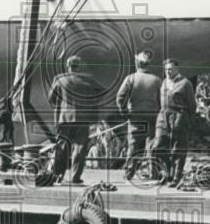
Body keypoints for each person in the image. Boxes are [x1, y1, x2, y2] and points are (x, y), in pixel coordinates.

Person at [48, 55, 104, 185]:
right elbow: (102, 91)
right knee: (80, 148)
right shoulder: (88, 79)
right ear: (78, 66)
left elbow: (51, 98)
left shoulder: (60, 79)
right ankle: (75, 177)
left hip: (65, 119)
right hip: (82, 118)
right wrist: (89, 101)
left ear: (68, 66)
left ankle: (57, 176)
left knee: (62, 148)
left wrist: (60, 105)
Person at [115, 51, 162, 182]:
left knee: (134, 145)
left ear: (137, 64)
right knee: (152, 145)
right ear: (149, 65)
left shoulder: (131, 78)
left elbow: (120, 97)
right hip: (153, 117)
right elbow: (163, 100)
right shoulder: (157, 80)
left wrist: (124, 112)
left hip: (136, 117)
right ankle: (154, 173)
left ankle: (129, 173)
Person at [153, 58, 196, 186]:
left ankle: (176, 177)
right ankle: (166, 174)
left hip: (179, 116)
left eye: (170, 69)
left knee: (178, 147)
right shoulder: (165, 82)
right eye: (166, 70)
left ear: (177, 69)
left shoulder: (185, 83)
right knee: (158, 145)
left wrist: (185, 120)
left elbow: (192, 105)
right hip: (163, 115)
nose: (168, 72)